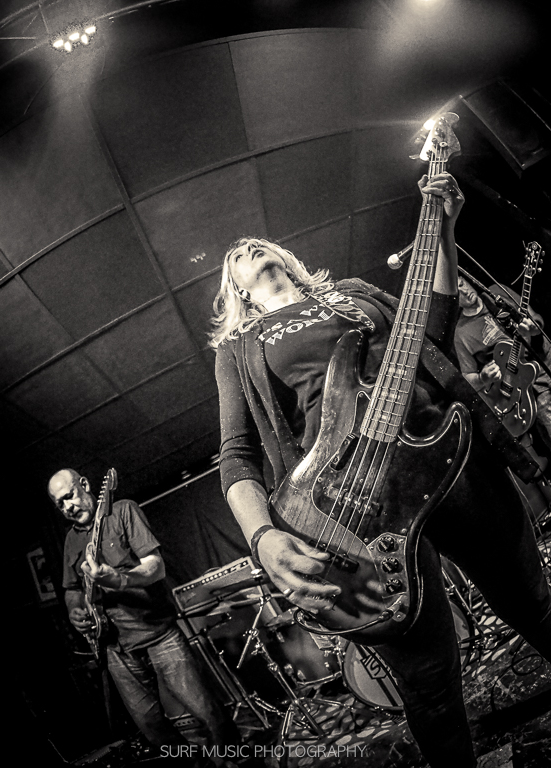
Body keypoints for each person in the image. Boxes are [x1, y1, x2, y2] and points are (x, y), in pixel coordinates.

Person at [210, 173, 551, 768]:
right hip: (356, 511)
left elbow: (433, 332)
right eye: (237, 254)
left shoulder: (349, 293)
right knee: (429, 683)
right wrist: (262, 537)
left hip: (453, 462)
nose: (248, 246)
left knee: (536, 605)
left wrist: (443, 229)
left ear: (286, 257)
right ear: (236, 289)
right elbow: (237, 454)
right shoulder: (240, 348)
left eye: (257, 242)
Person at [48, 468, 240, 766]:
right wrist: (75, 610)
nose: (67, 507)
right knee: (151, 727)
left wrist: (120, 580)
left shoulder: (123, 511)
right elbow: (71, 589)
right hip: (114, 646)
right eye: (59, 504)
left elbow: (155, 567)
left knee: (206, 709)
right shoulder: (71, 541)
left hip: (157, 632)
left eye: (69, 496)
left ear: (84, 484)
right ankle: (197, 762)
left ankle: (235, 758)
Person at [455, 275, 551, 452]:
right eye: (458, 291)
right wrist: (482, 378)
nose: (465, 292)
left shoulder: (496, 292)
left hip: (545, 356)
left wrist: (533, 328)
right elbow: (467, 376)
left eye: (462, 284)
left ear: (467, 280)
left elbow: (536, 318)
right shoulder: (461, 333)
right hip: (528, 386)